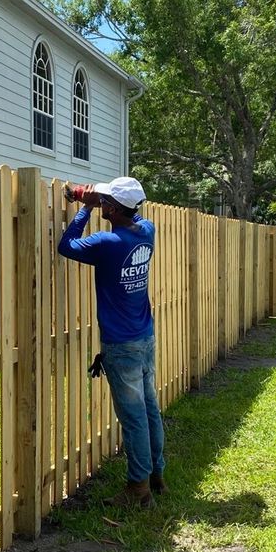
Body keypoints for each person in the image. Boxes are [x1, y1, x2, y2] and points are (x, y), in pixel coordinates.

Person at [58, 176, 166, 509]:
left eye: (106, 202)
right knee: (149, 411)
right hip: (144, 338)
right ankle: (156, 474)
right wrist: (96, 199)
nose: (102, 203)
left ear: (114, 209)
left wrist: (84, 209)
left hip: (122, 346)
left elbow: (66, 245)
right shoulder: (145, 231)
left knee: (133, 418)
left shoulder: (109, 243)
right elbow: (126, 214)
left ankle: (138, 489)